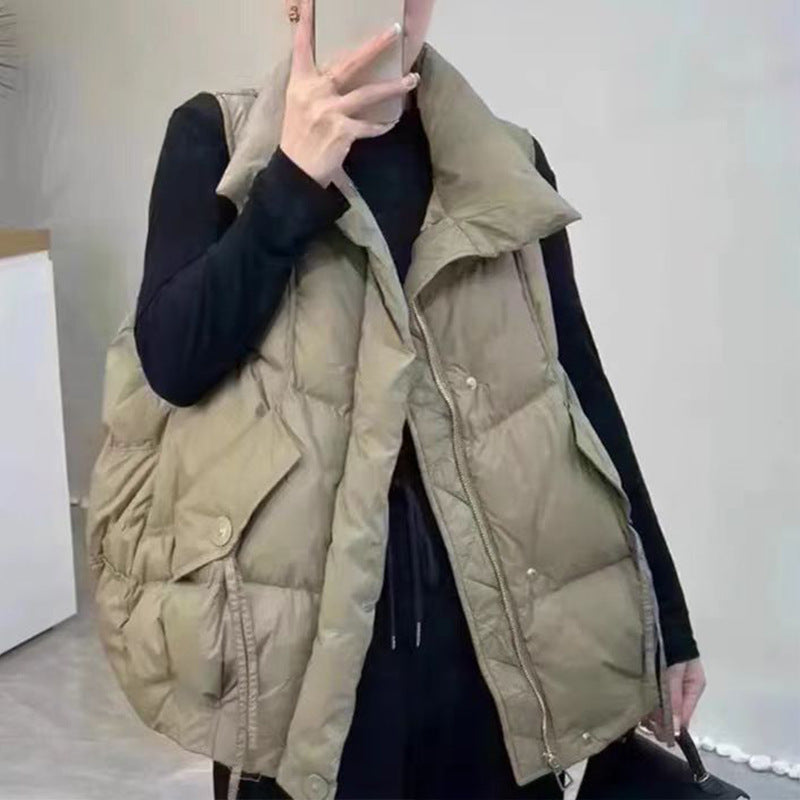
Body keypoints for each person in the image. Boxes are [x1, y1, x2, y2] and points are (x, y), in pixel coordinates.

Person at [129, 0, 707, 797]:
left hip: (492, 619)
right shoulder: (216, 139)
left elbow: (575, 383)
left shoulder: (505, 162)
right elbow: (172, 361)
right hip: (301, 635)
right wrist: (291, 180)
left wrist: (665, 617)